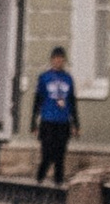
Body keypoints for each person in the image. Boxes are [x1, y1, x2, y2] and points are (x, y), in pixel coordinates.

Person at [31, 45, 78, 184]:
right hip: (48, 121)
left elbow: (72, 102)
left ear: (64, 61)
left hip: (63, 122)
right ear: (52, 60)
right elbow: (37, 100)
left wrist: (76, 123)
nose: (58, 61)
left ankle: (58, 183)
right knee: (47, 154)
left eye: (61, 59)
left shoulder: (68, 78)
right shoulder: (44, 77)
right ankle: (39, 180)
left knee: (60, 156)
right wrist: (33, 123)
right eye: (56, 59)